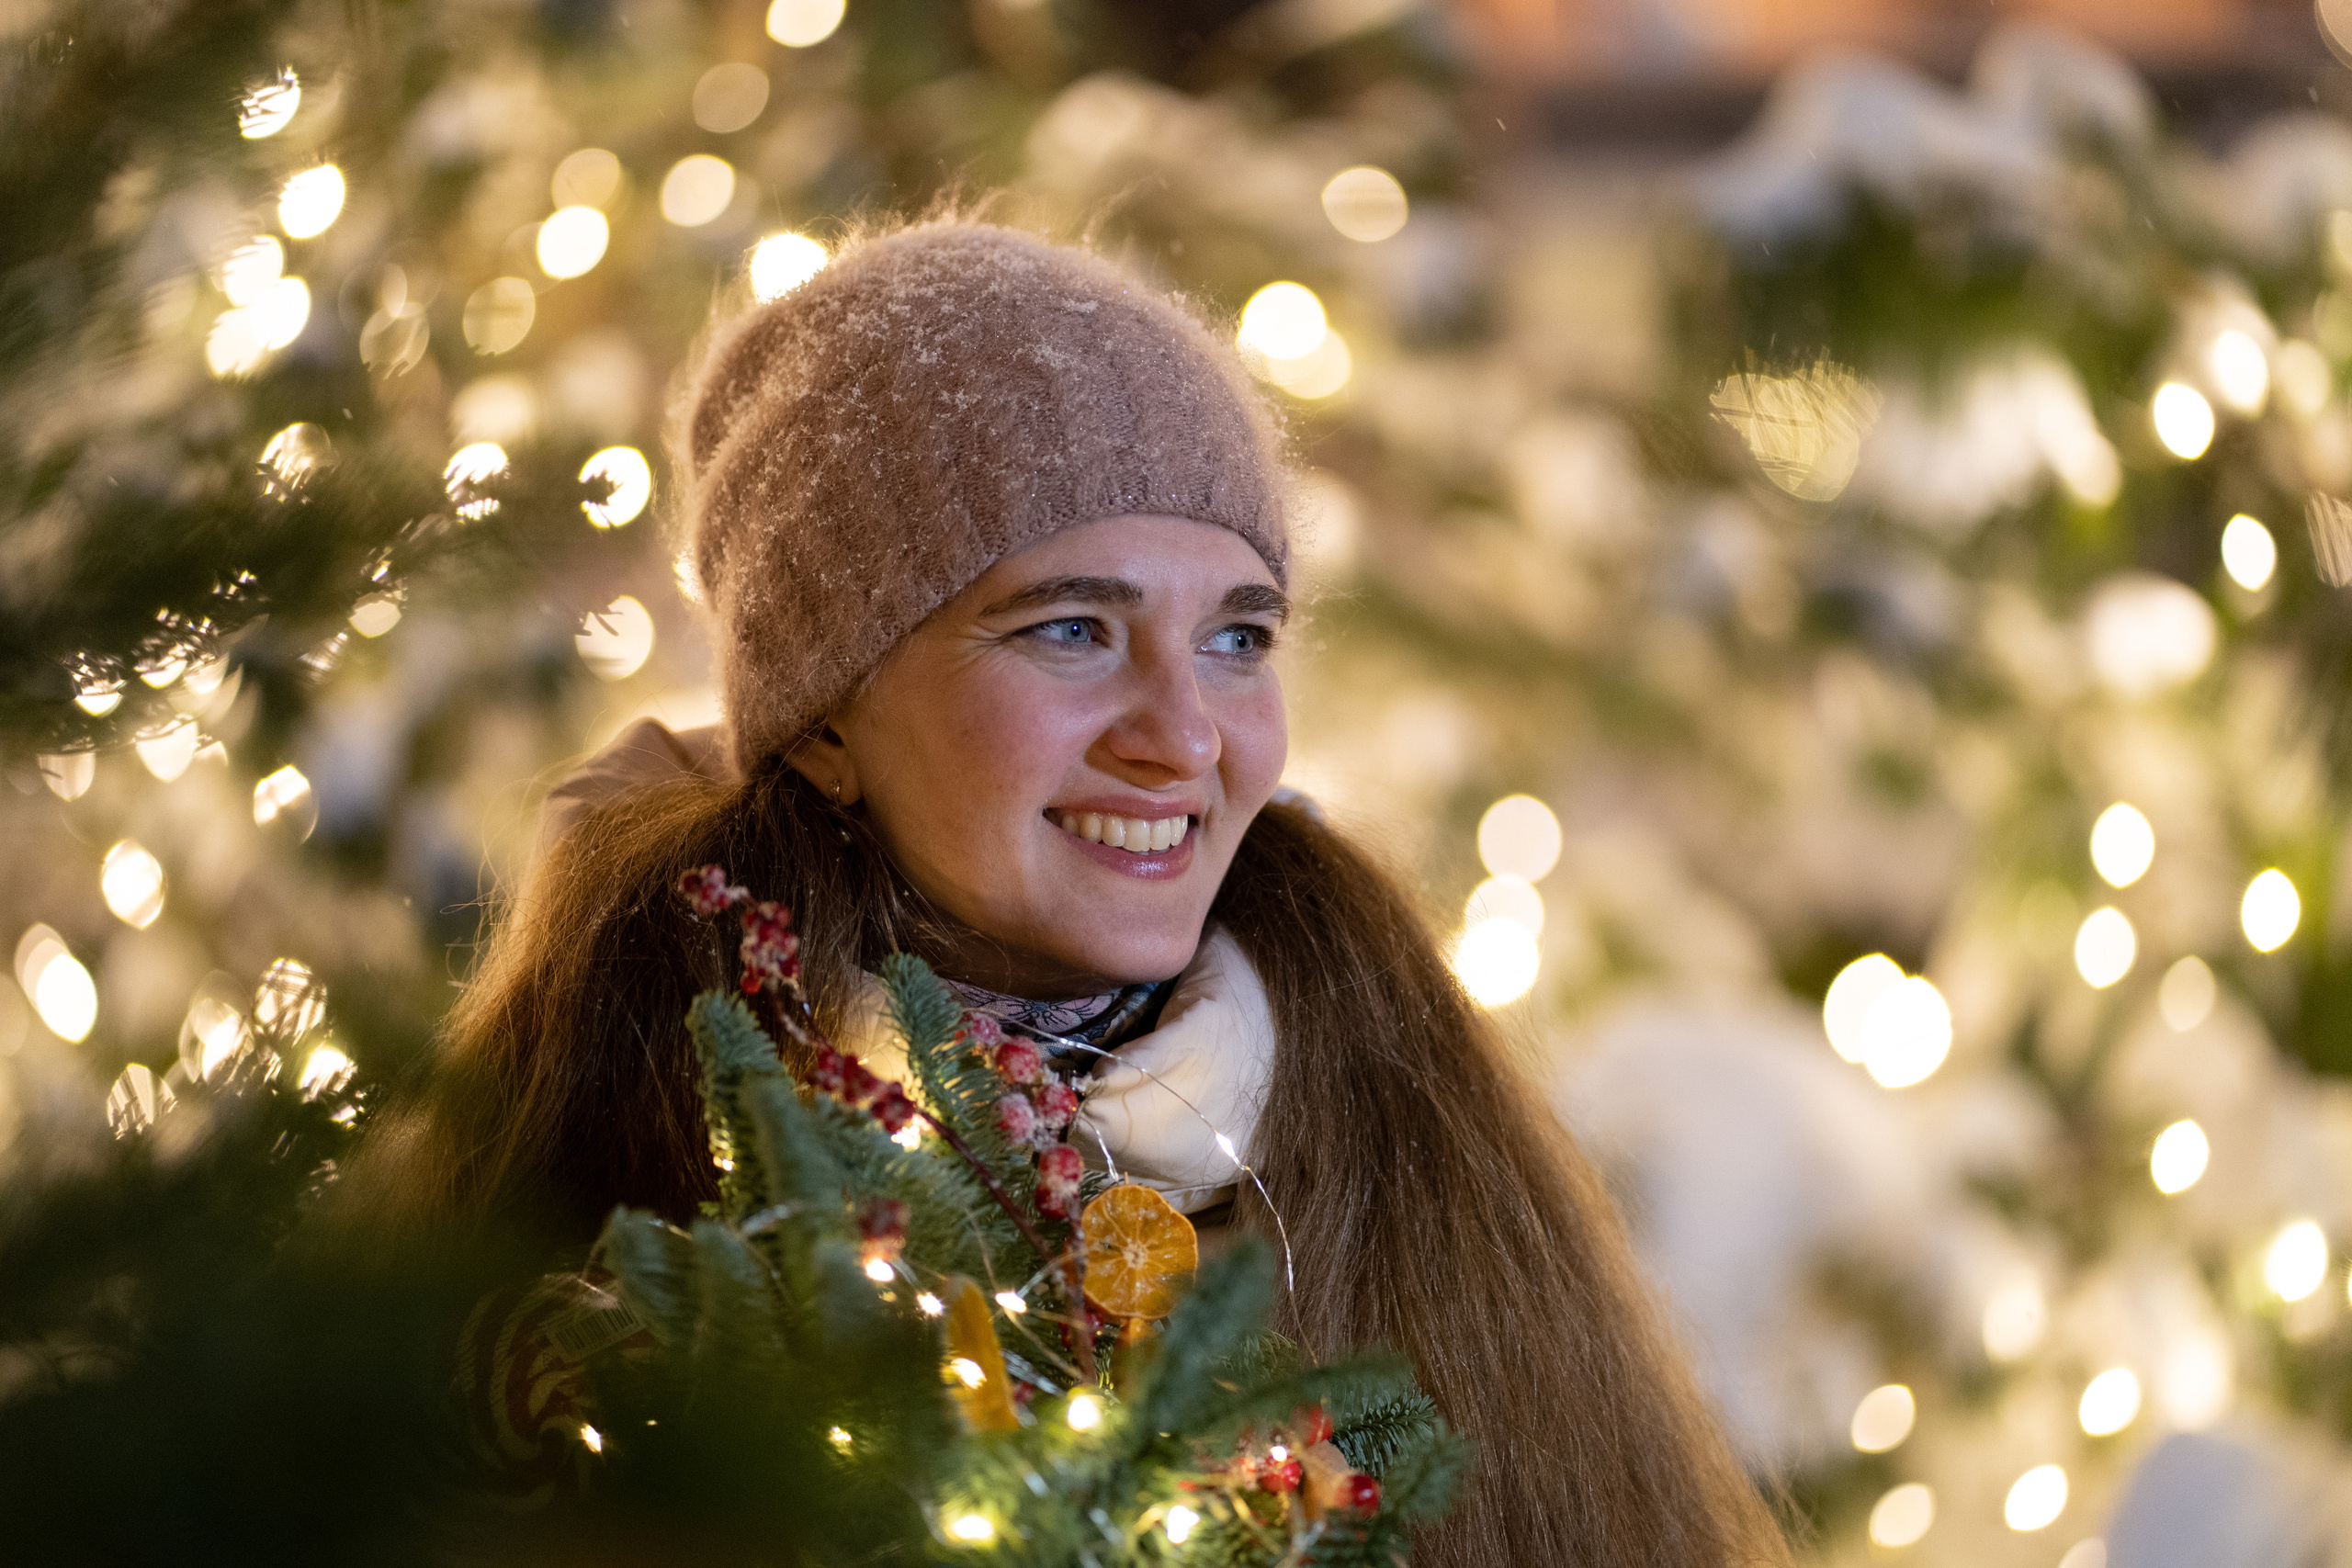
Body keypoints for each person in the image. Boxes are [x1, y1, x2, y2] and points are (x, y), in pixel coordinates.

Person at [342, 217, 1787, 1565]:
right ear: (830, 719)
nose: (1185, 737)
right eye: (1076, 629)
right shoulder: (627, 1186)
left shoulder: (1397, 1108)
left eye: (1238, 638)